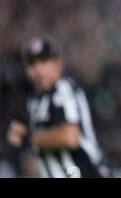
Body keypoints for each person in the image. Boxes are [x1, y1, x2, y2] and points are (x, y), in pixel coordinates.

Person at [6, 37, 107, 178]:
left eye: (44, 61)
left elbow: (69, 137)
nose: (39, 70)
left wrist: (28, 138)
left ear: (58, 64)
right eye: (32, 64)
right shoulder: (33, 100)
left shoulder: (63, 90)